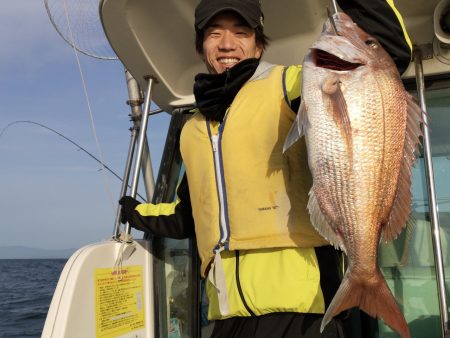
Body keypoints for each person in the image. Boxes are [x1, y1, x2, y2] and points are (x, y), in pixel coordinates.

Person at [120, 0, 412, 337]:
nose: (227, 44)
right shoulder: (193, 127)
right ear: (201, 45)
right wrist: (135, 212)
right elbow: (189, 214)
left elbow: (388, 54)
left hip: (304, 309)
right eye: (214, 34)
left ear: (259, 42)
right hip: (226, 314)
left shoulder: (292, 84)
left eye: (241, 33)